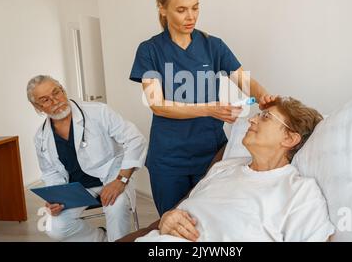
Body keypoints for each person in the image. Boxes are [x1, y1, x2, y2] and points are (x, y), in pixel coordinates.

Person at [129, 0, 274, 216]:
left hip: (211, 154)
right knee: (173, 224)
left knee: (211, 220)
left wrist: (265, 98)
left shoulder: (212, 45)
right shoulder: (150, 50)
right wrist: (209, 108)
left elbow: (245, 81)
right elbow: (157, 104)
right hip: (169, 159)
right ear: (162, 9)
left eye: (195, 8)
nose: (191, 16)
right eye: (181, 9)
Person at [135, 96, 335, 242]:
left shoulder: (299, 192)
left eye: (265, 117)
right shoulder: (223, 168)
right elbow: (183, 210)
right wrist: (167, 219)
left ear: (289, 138)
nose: (252, 119)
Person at [27, 75, 147, 242]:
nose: (55, 101)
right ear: (37, 107)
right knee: (55, 228)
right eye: (45, 100)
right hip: (77, 189)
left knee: (116, 206)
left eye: (56, 92)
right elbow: (50, 172)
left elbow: (135, 139)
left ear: (63, 89)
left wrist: (121, 180)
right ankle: (102, 238)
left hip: (112, 177)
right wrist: (57, 198)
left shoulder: (98, 111)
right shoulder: (41, 137)